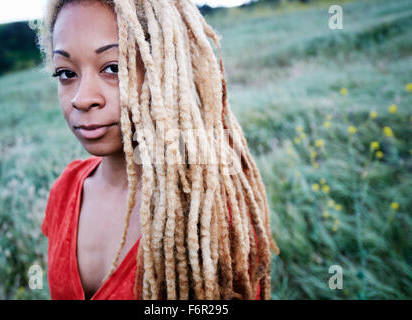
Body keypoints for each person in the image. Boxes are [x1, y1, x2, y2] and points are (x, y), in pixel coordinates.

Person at [37, 0, 279, 300]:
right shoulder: (64, 190)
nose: (82, 98)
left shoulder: (210, 209)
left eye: (113, 68)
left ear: (162, 68)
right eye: (66, 73)